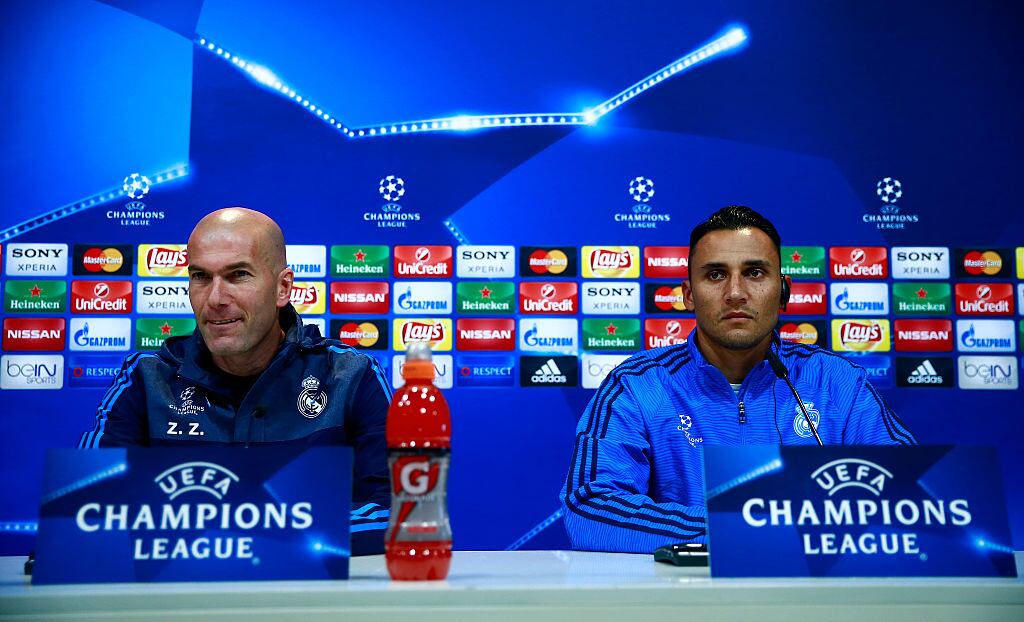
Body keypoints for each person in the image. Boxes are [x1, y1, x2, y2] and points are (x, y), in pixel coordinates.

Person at [561, 205, 916, 553]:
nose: (735, 292)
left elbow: (913, 496)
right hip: (684, 591)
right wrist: (747, 527)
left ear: (784, 292)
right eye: (716, 274)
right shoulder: (638, 385)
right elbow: (589, 508)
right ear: (688, 296)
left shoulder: (837, 383)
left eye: (755, 273)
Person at [79, 207, 391, 555]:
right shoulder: (145, 378)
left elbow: (396, 513)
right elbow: (87, 512)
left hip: (310, 591)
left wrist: (241, 534)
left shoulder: (351, 376)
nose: (215, 299)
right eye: (200, 276)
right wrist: (267, 531)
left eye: (238, 275)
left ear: (283, 288)